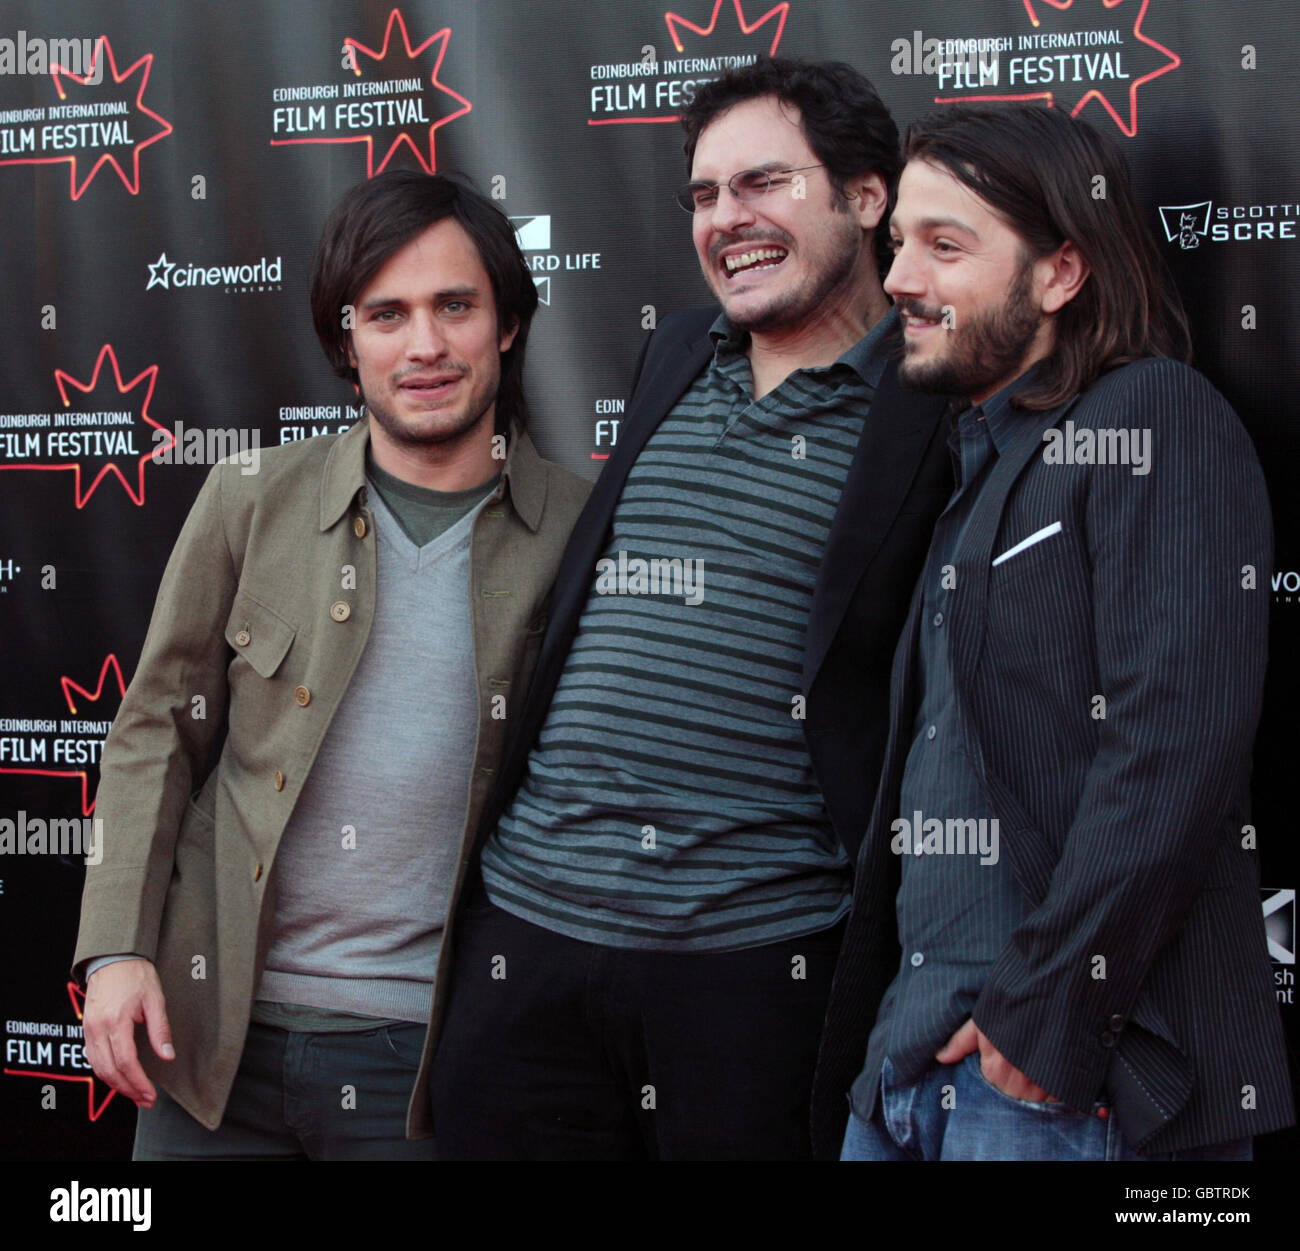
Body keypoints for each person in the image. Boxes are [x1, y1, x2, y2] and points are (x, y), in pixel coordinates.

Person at [429, 59, 953, 1160]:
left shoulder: (931, 401)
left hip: (753, 964)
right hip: (525, 940)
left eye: (764, 183)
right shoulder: (676, 350)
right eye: (706, 194)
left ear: (868, 196)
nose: (727, 219)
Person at [71, 170, 591, 1159]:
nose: (424, 345)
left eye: (455, 306)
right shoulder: (250, 496)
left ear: (509, 325)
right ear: (347, 343)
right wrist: (116, 948)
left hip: (427, 1065)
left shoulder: (579, 529)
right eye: (386, 314)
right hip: (209, 1042)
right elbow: (153, 732)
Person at [813, 102, 1295, 1162]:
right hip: (906, 1072)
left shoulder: (1151, 416)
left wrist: (1045, 1018)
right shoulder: (972, 464)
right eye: (899, 244)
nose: (899, 280)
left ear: (1060, 273)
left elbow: (1175, 741)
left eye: (945, 247)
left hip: (1064, 1089)